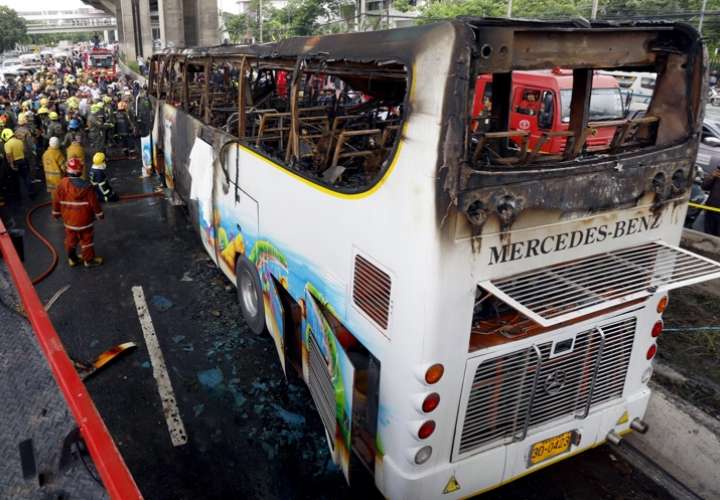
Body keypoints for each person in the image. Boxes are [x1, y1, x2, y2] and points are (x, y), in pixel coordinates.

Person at [52, 157, 104, 268]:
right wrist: (99, 214)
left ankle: (73, 259)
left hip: (69, 220)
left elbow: (56, 200)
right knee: (86, 240)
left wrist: (56, 213)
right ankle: (88, 261)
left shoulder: (61, 184)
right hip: (85, 220)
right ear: (80, 171)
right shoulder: (87, 186)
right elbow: (94, 203)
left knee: (71, 239)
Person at [3, 128, 34, 200]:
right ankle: (31, 192)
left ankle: (17, 195)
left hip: (15, 162)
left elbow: (9, 155)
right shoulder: (20, 141)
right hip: (23, 161)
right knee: (26, 178)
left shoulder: (7, 144)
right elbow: (24, 151)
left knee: (15, 180)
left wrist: (11, 165)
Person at [702, 158, 720, 236]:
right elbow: (704, 186)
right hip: (710, 209)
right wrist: (712, 177)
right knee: (708, 235)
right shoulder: (716, 176)